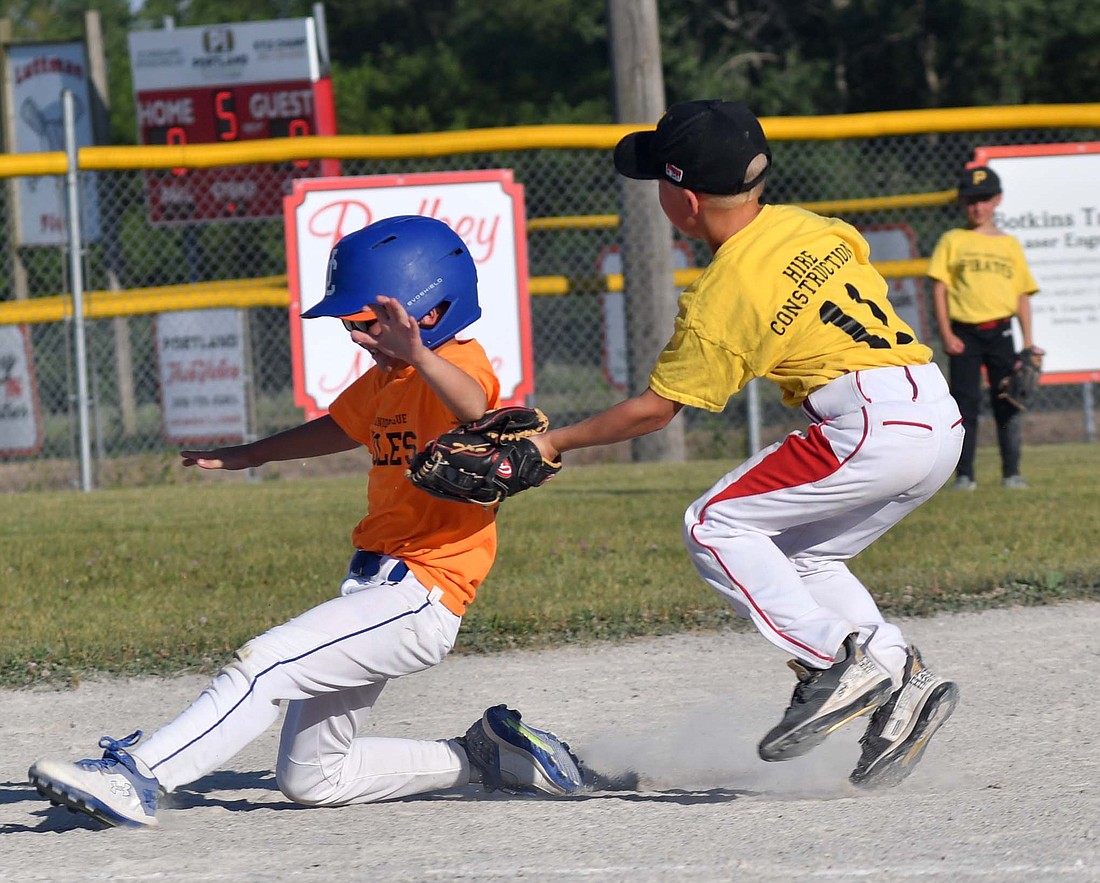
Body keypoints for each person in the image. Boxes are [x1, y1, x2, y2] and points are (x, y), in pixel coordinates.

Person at [27, 215, 583, 829]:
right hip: (374, 588)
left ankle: (138, 777)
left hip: (422, 591)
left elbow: (476, 407)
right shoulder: (387, 379)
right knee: (314, 778)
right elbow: (339, 427)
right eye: (349, 323)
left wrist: (420, 355)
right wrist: (253, 453)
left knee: (266, 662)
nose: (353, 334)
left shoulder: (455, 365)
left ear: (430, 312)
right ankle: (483, 757)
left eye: (365, 323)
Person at [531, 99, 961, 789]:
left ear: (686, 201)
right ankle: (901, 681)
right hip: (936, 413)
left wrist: (556, 441)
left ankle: (834, 661)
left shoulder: (720, 294)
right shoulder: (814, 226)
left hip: (868, 422)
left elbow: (653, 410)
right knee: (803, 554)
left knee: (713, 522)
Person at [928, 165, 1041, 491]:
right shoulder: (953, 239)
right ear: (964, 203)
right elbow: (939, 288)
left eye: (984, 199)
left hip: (1002, 332)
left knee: (1008, 400)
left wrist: (1029, 342)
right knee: (965, 403)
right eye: (971, 200)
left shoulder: (1010, 245)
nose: (978, 207)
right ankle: (965, 475)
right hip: (964, 334)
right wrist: (947, 333)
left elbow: (1021, 295)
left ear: (998, 200)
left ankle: (1012, 472)